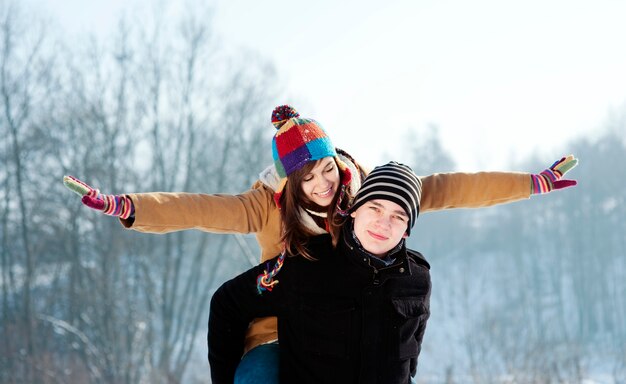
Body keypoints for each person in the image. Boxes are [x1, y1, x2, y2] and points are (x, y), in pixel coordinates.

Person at [63, 105, 578, 382]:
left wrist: (529, 183)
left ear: (337, 160)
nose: (323, 185)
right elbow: (198, 208)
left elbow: (448, 188)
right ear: (290, 181)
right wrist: (127, 207)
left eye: (327, 168)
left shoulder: (366, 192)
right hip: (281, 324)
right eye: (308, 177)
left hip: (347, 326)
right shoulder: (265, 205)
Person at [208, 161, 426, 383]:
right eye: (374, 208)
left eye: (398, 216)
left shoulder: (417, 278)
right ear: (354, 210)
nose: (383, 223)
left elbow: (412, 351)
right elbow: (228, 303)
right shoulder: (306, 264)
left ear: (407, 230)